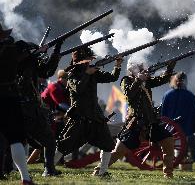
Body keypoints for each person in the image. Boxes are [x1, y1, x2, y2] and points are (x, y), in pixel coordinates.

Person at [54, 47, 123, 177]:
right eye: (86, 60)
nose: (88, 62)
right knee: (64, 145)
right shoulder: (72, 75)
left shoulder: (92, 72)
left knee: (108, 144)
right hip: (79, 116)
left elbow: (112, 77)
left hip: (95, 116)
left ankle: (102, 172)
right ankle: (49, 169)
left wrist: (117, 64)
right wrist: (87, 74)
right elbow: (79, 89)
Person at [106, 61, 176, 178]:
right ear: (133, 69)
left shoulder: (146, 81)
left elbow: (163, 80)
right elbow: (129, 94)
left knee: (168, 140)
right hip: (136, 122)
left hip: (151, 121)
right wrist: (139, 80)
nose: (144, 70)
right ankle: (99, 170)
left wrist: (170, 67)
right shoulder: (126, 80)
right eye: (141, 68)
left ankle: (168, 174)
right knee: (119, 151)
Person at [16, 39, 63, 177]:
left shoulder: (28, 63)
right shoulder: (18, 63)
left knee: (47, 140)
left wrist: (57, 49)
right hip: (26, 108)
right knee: (46, 140)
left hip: (28, 107)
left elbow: (46, 72)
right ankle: (48, 169)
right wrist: (35, 54)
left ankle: (49, 169)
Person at [0, 24, 34, 185]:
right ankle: (25, 178)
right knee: (15, 139)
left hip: (8, 96)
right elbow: (23, 63)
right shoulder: (11, 50)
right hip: (8, 97)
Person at [161, 72, 195, 162]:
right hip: (186, 126)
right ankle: (182, 159)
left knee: (174, 143)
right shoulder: (190, 95)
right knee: (185, 143)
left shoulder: (167, 95)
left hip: (171, 126)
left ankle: (176, 158)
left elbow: (163, 113)